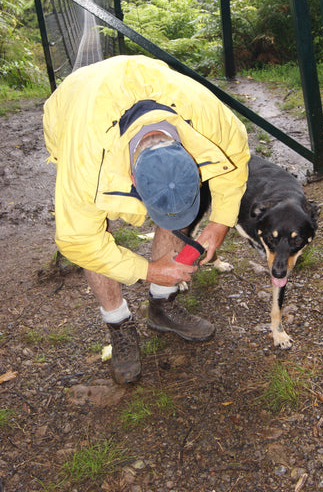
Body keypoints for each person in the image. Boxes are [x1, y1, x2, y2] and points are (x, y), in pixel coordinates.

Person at [43, 55, 250, 385]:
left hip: (152, 91)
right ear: (132, 181)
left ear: (193, 160)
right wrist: (148, 270)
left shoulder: (208, 117)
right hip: (75, 109)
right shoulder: (84, 164)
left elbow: (236, 159)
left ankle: (161, 305)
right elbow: (80, 242)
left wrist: (219, 223)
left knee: (174, 201)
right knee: (94, 229)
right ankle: (118, 323)